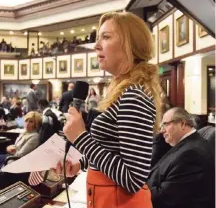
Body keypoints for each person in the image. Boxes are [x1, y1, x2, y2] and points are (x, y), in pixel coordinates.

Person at [53, 12, 162, 208]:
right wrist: (81, 163)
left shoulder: (134, 97)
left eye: (106, 37)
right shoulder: (126, 93)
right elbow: (114, 152)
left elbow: (133, 179)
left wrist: (80, 138)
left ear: (130, 44)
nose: (96, 46)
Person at [147, 107, 214, 208]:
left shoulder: (192, 154)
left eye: (165, 124)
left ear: (182, 124)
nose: (161, 130)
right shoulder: (185, 145)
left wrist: (139, 191)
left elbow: (164, 198)